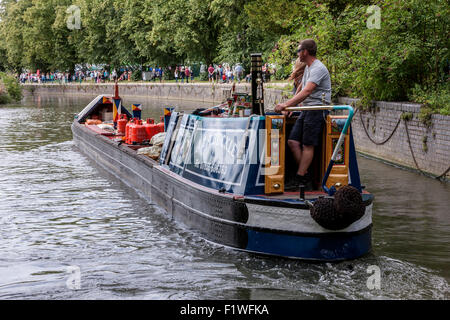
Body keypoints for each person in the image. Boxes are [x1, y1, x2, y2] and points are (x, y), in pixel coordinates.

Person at [275, 39, 331, 191]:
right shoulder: (308, 67)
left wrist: (286, 105)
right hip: (307, 110)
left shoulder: (318, 68)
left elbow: (307, 91)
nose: (297, 54)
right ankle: (305, 175)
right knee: (292, 141)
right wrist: (289, 106)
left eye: (298, 51)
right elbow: (301, 87)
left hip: (316, 110)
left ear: (305, 52)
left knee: (307, 145)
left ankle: (301, 179)